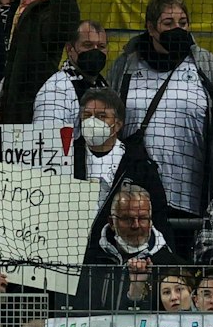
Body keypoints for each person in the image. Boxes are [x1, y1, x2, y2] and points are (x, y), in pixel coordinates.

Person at [107, 0, 213, 218]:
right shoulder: (125, 66)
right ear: (151, 27)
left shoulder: (208, 66)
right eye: (168, 23)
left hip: (190, 195)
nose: (177, 28)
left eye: (183, 23)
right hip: (133, 197)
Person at [0, 0, 79, 124]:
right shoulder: (7, 11)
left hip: (30, 115)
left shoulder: (41, 10)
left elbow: (64, 29)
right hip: (4, 113)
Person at [71, 87, 171, 226]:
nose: (92, 122)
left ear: (117, 125)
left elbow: (158, 216)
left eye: (101, 116)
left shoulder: (139, 166)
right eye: (87, 115)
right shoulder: (67, 159)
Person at [79, 183, 185, 310]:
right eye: (127, 219)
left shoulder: (171, 265)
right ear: (112, 222)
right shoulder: (89, 259)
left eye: (142, 218)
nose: (136, 225)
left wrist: (136, 295)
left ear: (151, 221)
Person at [33, 18, 110, 130]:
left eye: (101, 46)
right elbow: (49, 141)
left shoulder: (102, 85)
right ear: (69, 49)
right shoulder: (56, 91)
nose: (95, 51)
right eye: (88, 45)